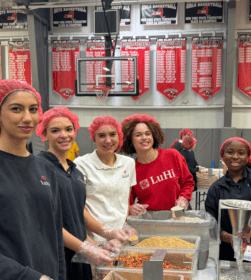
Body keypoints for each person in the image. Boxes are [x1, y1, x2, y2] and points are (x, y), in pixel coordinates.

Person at [0, 79, 66, 280]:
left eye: (33, 109)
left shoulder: (46, 168)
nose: (28, 118)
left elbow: (55, 237)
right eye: (16, 109)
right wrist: (28, 277)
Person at [36, 108, 128, 280]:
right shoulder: (39, 167)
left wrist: (104, 236)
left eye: (68, 129)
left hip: (79, 256)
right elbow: (46, 221)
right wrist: (86, 248)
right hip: (55, 256)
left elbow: (77, 213)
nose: (64, 135)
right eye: (55, 131)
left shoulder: (75, 172)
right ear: (44, 134)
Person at [74, 115, 137, 243]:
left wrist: (124, 226)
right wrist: (106, 233)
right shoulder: (81, 164)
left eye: (112, 134)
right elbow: (78, 207)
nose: (108, 141)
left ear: (119, 136)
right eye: (101, 136)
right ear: (94, 139)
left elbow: (125, 200)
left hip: (121, 237)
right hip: (94, 239)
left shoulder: (128, 163)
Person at [205, 137, 251, 262]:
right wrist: (229, 237)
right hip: (229, 253)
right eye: (230, 152)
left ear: (248, 155)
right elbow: (211, 221)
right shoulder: (216, 188)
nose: (235, 157)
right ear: (222, 156)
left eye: (241, 153)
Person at [120, 114, 194, 216]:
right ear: (130, 140)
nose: (144, 138)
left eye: (147, 133)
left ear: (154, 136)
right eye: (138, 135)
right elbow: (128, 200)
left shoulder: (173, 155)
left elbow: (188, 182)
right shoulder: (131, 169)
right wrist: (131, 208)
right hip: (150, 222)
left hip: (177, 217)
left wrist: (183, 198)